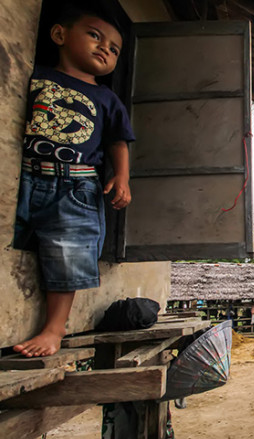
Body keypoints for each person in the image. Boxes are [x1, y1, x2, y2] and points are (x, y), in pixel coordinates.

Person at [12, 5, 134, 357]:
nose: (104, 49)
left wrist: (122, 178)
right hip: (25, 176)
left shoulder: (107, 99)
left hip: (76, 186)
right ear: (60, 35)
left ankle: (54, 327)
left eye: (114, 49)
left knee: (70, 251)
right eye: (95, 36)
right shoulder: (32, 77)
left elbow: (117, 142)